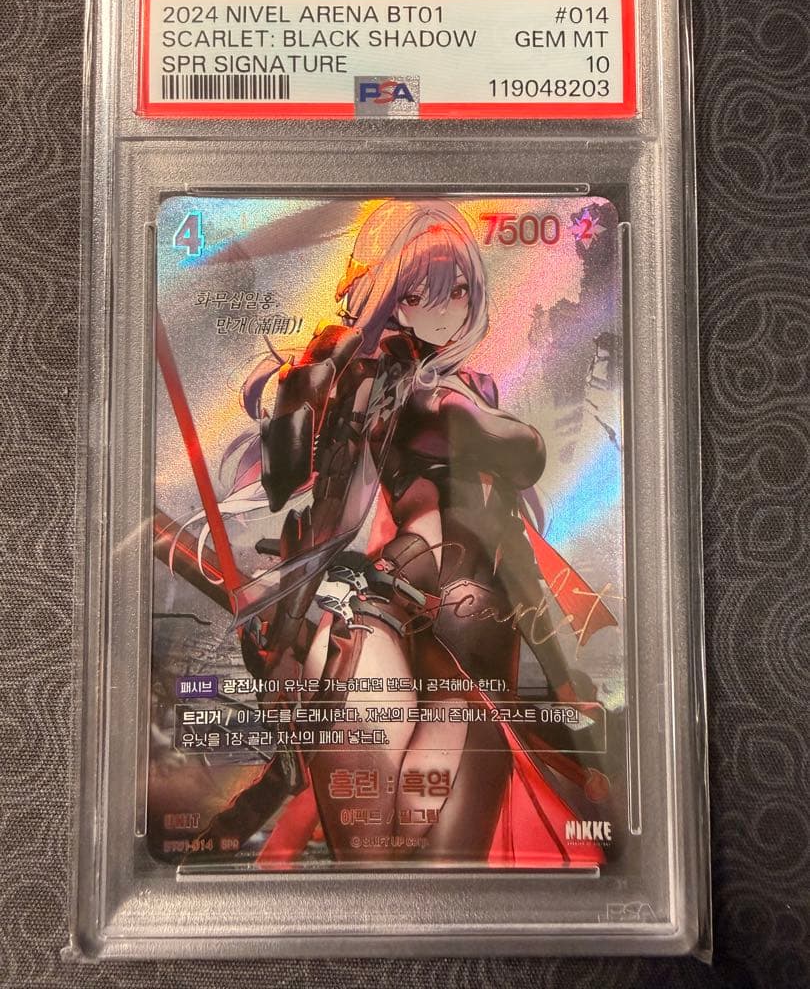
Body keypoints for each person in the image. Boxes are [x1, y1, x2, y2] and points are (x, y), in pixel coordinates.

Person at [187, 200, 614, 867]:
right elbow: (295, 483)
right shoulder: (371, 389)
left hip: (467, 655)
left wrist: (565, 681)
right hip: (379, 614)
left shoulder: (459, 395)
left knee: (441, 863)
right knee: (373, 859)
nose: (440, 311)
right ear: (387, 296)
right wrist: (308, 384)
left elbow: (517, 501)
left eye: (456, 290)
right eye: (416, 294)